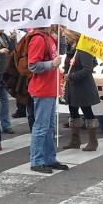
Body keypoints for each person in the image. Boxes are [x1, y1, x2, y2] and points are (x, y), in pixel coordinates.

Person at [26, 26, 69, 174]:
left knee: (49, 126)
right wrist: (51, 64)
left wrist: (61, 35)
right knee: (42, 126)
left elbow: (60, 51)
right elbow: (32, 65)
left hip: (49, 88)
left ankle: (49, 158)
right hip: (43, 89)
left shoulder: (48, 37)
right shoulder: (38, 38)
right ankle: (37, 160)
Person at [61, 32, 100, 152]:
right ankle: (75, 140)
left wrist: (71, 76)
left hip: (83, 87)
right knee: (73, 111)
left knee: (87, 111)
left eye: (66, 36)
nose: (64, 37)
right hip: (73, 86)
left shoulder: (83, 49)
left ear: (73, 36)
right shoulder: (72, 48)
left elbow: (88, 69)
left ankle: (93, 141)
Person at [0, 29, 17, 134]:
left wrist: (12, 39)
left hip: (4, 70)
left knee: (5, 100)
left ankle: (6, 124)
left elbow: (12, 50)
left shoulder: (4, 36)